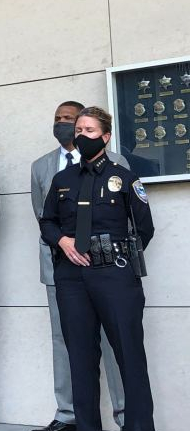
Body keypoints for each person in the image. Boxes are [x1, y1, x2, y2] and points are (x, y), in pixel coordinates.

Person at [39, 107, 155, 431]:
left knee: (129, 358)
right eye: (78, 130)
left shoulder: (125, 178)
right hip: (72, 279)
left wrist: (114, 257)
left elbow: (145, 229)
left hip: (115, 276)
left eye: (88, 131)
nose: (81, 136)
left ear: (105, 137)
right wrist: (62, 241)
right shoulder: (62, 180)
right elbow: (46, 221)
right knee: (80, 361)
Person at [29, 102, 126, 431]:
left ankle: (124, 414)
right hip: (62, 271)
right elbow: (44, 218)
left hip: (106, 269)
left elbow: (129, 219)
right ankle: (68, 414)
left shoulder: (116, 163)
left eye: (69, 120)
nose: (63, 125)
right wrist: (64, 247)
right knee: (64, 341)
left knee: (115, 343)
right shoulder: (42, 167)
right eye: (58, 119)